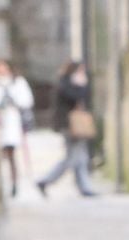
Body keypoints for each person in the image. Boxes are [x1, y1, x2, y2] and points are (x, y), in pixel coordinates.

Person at [37, 60, 100, 197]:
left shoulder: (73, 83)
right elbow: (74, 97)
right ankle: (45, 180)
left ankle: (84, 187)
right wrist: (81, 86)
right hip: (69, 126)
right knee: (71, 158)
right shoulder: (65, 83)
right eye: (80, 71)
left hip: (77, 125)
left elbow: (86, 99)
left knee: (81, 158)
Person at [0, 59, 36, 197]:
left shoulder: (17, 82)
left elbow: (27, 100)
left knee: (11, 154)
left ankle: (14, 183)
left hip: (12, 121)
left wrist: (14, 100)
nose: (2, 71)